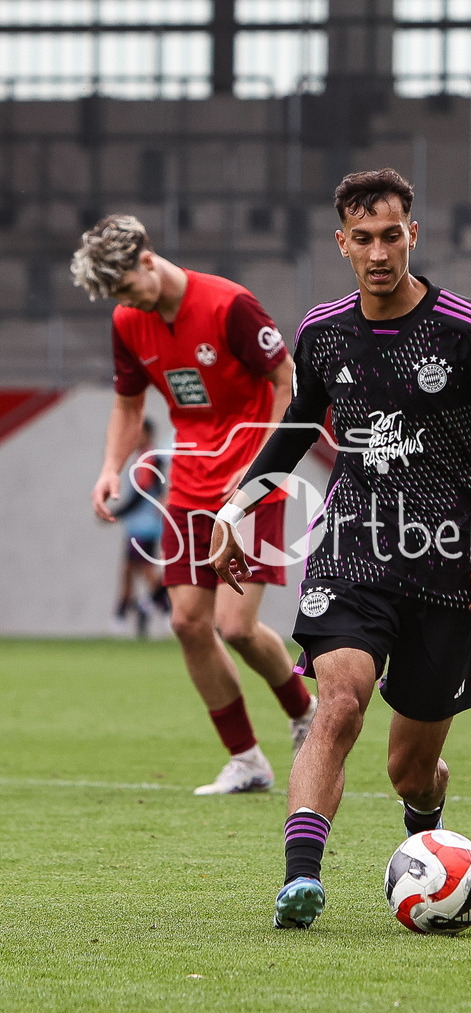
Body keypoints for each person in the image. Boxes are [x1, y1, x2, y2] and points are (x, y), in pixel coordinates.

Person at [209, 167, 471, 929]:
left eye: (391, 235)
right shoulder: (325, 333)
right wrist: (234, 505)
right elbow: (299, 426)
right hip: (353, 544)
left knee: (410, 767)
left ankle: (425, 829)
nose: (378, 251)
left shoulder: (469, 332)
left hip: (450, 559)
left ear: (413, 236)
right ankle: (302, 879)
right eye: (362, 238)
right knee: (340, 701)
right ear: (341, 244)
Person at [71, 214, 317, 795]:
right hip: (190, 483)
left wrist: (262, 471)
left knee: (235, 626)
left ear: (147, 261)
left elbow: (289, 382)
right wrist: (110, 469)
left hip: (253, 480)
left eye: (128, 286)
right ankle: (247, 760)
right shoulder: (129, 321)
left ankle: (305, 713)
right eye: (117, 296)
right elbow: (129, 407)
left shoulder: (230, 306)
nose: (127, 302)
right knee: (186, 622)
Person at [109, 416, 171, 638]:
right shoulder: (143, 458)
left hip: (146, 526)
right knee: (127, 571)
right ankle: (123, 616)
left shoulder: (149, 459)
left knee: (146, 571)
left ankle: (164, 610)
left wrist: (117, 513)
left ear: (147, 435)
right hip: (136, 526)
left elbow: (142, 492)